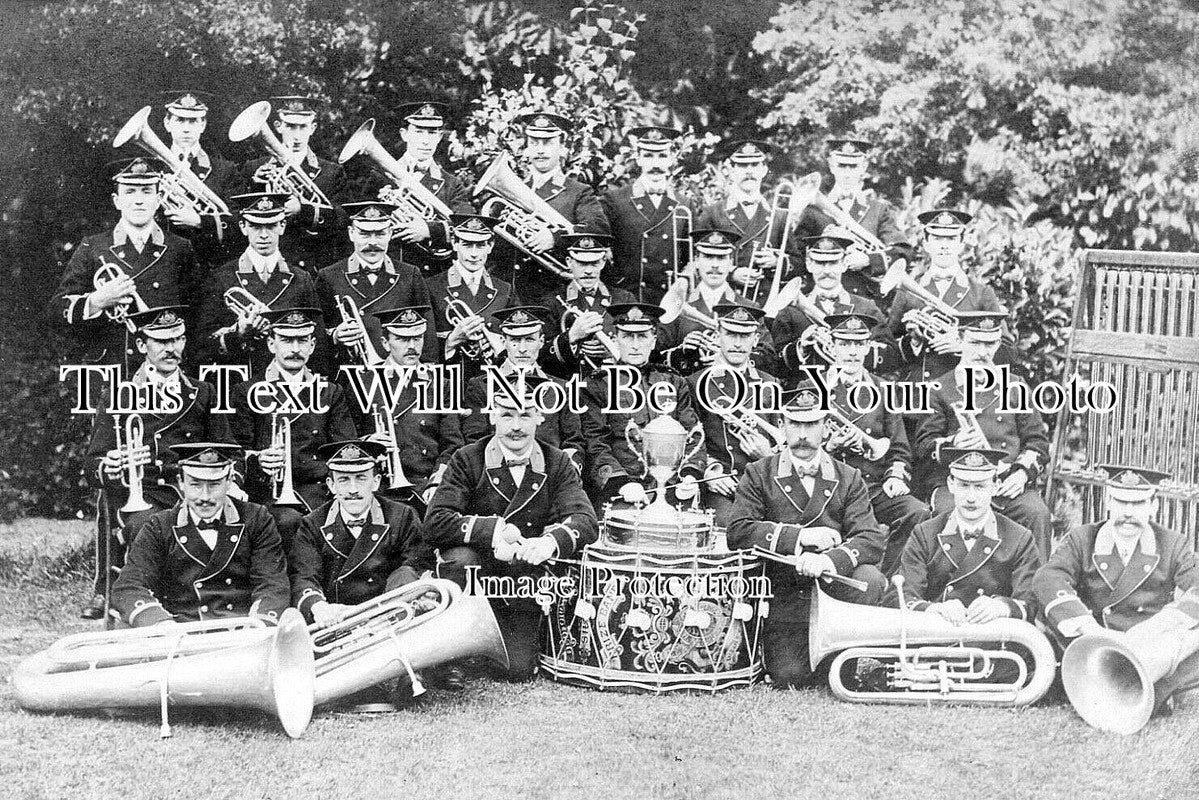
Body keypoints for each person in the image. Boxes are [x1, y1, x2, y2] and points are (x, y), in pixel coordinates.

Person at [423, 381, 598, 681]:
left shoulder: (557, 462)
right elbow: (435, 521)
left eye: (525, 415)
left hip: (521, 579)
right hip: (475, 578)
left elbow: (586, 520)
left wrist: (550, 543)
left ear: (540, 417)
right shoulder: (467, 458)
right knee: (459, 558)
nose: (516, 427)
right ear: (491, 416)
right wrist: (492, 532)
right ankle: (451, 654)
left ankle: (496, 644)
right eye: (507, 416)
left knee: (517, 670)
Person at [725, 387, 888, 687]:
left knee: (871, 578)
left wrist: (829, 560)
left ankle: (844, 655)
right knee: (790, 676)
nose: (802, 434)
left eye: (811, 424)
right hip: (784, 589)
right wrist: (800, 537)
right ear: (782, 425)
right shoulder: (759, 472)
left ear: (826, 427)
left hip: (831, 585)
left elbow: (870, 538)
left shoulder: (848, 476)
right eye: (795, 424)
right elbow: (738, 531)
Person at [82, 305, 237, 619]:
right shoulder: (118, 395)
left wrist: (232, 484)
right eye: (162, 341)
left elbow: (230, 450)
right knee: (146, 526)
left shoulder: (202, 392)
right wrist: (110, 465)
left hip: (192, 491)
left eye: (178, 339)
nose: (172, 348)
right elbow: (92, 462)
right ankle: (134, 597)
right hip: (144, 494)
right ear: (142, 345)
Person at [1034, 465, 1199, 713]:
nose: (1128, 514)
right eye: (1121, 502)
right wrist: (1088, 627)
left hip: (1150, 643)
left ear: (1153, 506)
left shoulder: (1173, 543)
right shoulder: (1083, 539)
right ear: (1109, 502)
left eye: (1138, 504)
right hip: (1095, 642)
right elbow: (1048, 577)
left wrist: (1159, 625)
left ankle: (1154, 685)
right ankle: (1119, 685)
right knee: (1046, 612)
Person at [288, 439, 439, 705]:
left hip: (389, 621)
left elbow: (419, 565)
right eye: (344, 481)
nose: (354, 490)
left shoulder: (402, 516)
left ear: (376, 481)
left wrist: (395, 604)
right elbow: (303, 576)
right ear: (332, 485)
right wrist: (319, 607)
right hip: (339, 624)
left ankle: (411, 668)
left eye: (361, 478)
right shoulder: (312, 525)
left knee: (407, 576)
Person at [914, 311, 1053, 558]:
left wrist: (1021, 474)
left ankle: (1036, 590)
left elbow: (1037, 442)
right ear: (960, 340)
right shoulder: (938, 389)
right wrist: (953, 443)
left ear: (999, 343)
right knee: (947, 513)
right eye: (975, 342)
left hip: (1005, 482)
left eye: (990, 344)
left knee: (1035, 512)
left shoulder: (1015, 385)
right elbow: (924, 446)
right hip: (958, 483)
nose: (982, 351)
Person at [50, 157, 201, 378]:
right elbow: (55, 311)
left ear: (159, 199)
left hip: (165, 372)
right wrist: (97, 301)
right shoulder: (92, 246)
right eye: (130, 191)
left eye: (147, 191)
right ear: (117, 200)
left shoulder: (180, 248)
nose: (139, 200)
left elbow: (196, 314)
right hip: (111, 371)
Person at [110, 442, 290, 626]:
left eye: (214, 484)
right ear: (181, 482)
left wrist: (259, 626)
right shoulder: (159, 526)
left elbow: (273, 585)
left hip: (242, 633)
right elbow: (129, 586)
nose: (205, 497)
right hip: (181, 638)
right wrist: (160, 624)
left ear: (229, 481)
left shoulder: (256, 519)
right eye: (195, 484)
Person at [229, 307, 357, 548]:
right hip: (270, 493)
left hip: (320, 491)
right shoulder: (246, 391)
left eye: (302, 341)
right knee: (287, 522)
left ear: (313, 345)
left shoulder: (330, 391)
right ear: (271, 344)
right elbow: (236, 451)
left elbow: (344, 448)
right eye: (287, 340)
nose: (295, 349)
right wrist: (258, 460)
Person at [818, 313, 929, 574]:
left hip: (872, 487)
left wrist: (896, 478)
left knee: (917, 512)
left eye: (859, 344)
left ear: (868, 347)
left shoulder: (882, 389)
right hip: (829, 490)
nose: (852, 352)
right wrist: (830, 447)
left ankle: (890, 579)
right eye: (844, 344)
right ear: (832, 346)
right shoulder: (814, 388)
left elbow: (899, 447)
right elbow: (797, 448)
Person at [890, 447, 1041, 624]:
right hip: (938, 641)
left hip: (993, 644)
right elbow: (903, 597)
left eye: (979, 486)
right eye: (963, 485)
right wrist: (935, 609)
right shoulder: (924, 534)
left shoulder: (1020, 539)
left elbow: (1030, 603)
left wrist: (1003, 607)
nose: (971, 497)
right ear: (951, 485)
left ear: (995, 487)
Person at [580, 302, 704, 505]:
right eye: (627, 336)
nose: (635, 345)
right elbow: (595, 444)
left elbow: (693, 433)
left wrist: (690, 475)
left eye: (643, 336)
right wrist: (620, 482)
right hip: (622, 490)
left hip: (674, 488)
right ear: (615, 339)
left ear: (654, 340)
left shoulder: (673, 381)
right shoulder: (598, 385)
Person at [490, 111, 610, 304]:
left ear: (562, 147)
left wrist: (555, 238)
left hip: (556, 296)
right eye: (534, 142)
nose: (540, 150)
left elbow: (598, 230)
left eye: (547, 142)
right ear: (527, 148)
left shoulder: (578, 192)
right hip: (513, 294)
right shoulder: (512, 190)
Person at [192, 192, 320, 372]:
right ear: (243, 227)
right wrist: (238, 333)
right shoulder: (221, 277)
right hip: (240, 380)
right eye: (255, 227)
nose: (264, 235)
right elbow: (202, 346)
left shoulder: (301, 278)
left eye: (271, 226)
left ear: (282, 226)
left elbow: (318, 343)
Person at [358, 305, 464, 513]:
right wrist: (368, 443)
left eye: (418, 338)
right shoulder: (362, 381)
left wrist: (436, 482)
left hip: (424, 484)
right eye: (403, 339)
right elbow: (346, 436)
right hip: (376, 485)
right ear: (385, 343)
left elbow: (452, 444)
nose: (413, 346)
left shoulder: (441, 385)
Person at [686, 303, 781, 525]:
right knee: (733, 527)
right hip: (719, 485)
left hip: (762, 484)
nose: (738, 344)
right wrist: (709, 471)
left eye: (745, 336)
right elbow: (688, 442)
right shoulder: (694, 383)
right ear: (718, 335)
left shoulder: (770, 383)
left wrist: (767, 455)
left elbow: (784, 445)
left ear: (756, 340)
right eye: (730, 334)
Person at [316, 200, 438, 370]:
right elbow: (317, 335)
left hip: (400, 375)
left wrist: (427, 375)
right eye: (365, 234)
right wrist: (336, 335)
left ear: (390, 233)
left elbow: (428, 336)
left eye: (380, 234)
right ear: (351, 233)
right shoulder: (329, 276)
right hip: (350, 375)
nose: (373, 242)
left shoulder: (410, 275)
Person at [887, 208, 1004, 385]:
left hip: (963, 392)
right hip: (919, 395)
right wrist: (914, 343)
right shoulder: (907, 291)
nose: (944, 245)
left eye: (951, 239)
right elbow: (889, 350)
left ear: (961, 244)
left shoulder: (981, 293)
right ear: (926, 243)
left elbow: (1009, 352)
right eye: (937, 238)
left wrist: (964, 347)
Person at [461, 306, 584, 472]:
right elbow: (475, 442)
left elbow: (573, 441)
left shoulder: (562, 388)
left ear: (541, 342)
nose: (522, 349)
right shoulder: (481, 386)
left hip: (550, 477)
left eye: (529, 340)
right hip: (497, 477)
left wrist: (568, 469)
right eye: (515, 340)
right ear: (503, 342)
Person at [796, 137, 912, 306]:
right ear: (831, 165)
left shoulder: (879, 210)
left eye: (853, 166)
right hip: (823, 302)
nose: (847, 172)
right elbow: (798, 257)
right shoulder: (813, 212)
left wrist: (868, 260)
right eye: (842, 165)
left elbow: (903, 251)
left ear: (863, 167)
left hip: (866, 302)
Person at [242, 95, 348, 273]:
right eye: (290, 126)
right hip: (268, 265)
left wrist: (303, 210)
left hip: (312, 265)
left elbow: (343, 219)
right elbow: (242, 217)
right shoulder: (254, 168)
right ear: (278, 127)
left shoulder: (332, 172)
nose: (297, 135)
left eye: (303, 127)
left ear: (312, 128)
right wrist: (257, 185)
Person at [770, 233, 891, 385]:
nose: (826, 270)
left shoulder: (866, 308)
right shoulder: (790, 312)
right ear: (809, 264)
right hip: (808, 396)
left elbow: (891, 358)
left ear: (844, 264)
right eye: (820, 263)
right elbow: (774, 365)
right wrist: (801, 348)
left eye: (833, 263)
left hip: (857, 395)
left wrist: (853, 349)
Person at [659, 228, 777, 376]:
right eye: (708, 257)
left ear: (731, 263)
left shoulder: (748, 307)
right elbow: (655, 356)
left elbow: (769, 359)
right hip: (687, 390)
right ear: (696, 261)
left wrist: (731, 357)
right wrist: (681, 353)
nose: (715, 265)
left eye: (721, 258)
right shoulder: (677, 303)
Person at [374, 101, 474, 276]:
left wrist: (429, 230)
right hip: (390, 273)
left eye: (432, 132)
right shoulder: (379, 178)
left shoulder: (452, 184)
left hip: (433, 275)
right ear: (404, 134)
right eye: (419, 131)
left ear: (439, 136)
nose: (426, 140)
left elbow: (468, 228)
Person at [600, 126, 692, 304]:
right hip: (627, 299)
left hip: (667, 301)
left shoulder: (684, 204)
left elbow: (691, 258)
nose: (655, 164)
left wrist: (684, 280)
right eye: (648, 156)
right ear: (638, 158)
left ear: (672, 158)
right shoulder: (615, 200)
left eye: (662, 155)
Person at [425, 213, 517, 382]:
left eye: (480, 245)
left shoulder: (504, 289)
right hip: (448, 381)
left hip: (492, 383)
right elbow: (422, 347)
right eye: (467, 245)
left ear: (490, 246)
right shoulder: (431, 286)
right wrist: (451, 341)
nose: (474, 254)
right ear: (454, 244)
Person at [695, 139, 794, 295]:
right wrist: (731, 273)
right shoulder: (713, 213)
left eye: (755, 165)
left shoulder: (779, 216)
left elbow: (798, 262)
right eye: (742, 165)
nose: (749, 171)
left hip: (765, 301)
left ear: (764, 170)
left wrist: (776, 261)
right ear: (731, 170)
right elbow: (696, 260)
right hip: (725, 299)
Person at [155, 90, 240, 267]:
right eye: (180, 120)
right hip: (162, 267)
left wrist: (200, 221)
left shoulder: (225, 170)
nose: (186, 128)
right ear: (167, 123)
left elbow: (239, 223)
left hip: (206, 266)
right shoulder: (154, 169)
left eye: (193, 121)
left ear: (203, 125)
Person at [540, 233, 635, 379]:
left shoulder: (624, 298)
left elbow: (641, 344)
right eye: (581, 263)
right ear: (569, 262)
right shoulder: (551, 302)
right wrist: (571, 336)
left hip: (616, 381)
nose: (588, 271)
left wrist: (617, 348)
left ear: (603, 262)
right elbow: (541, 357)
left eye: (595, 263)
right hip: (573, 385)